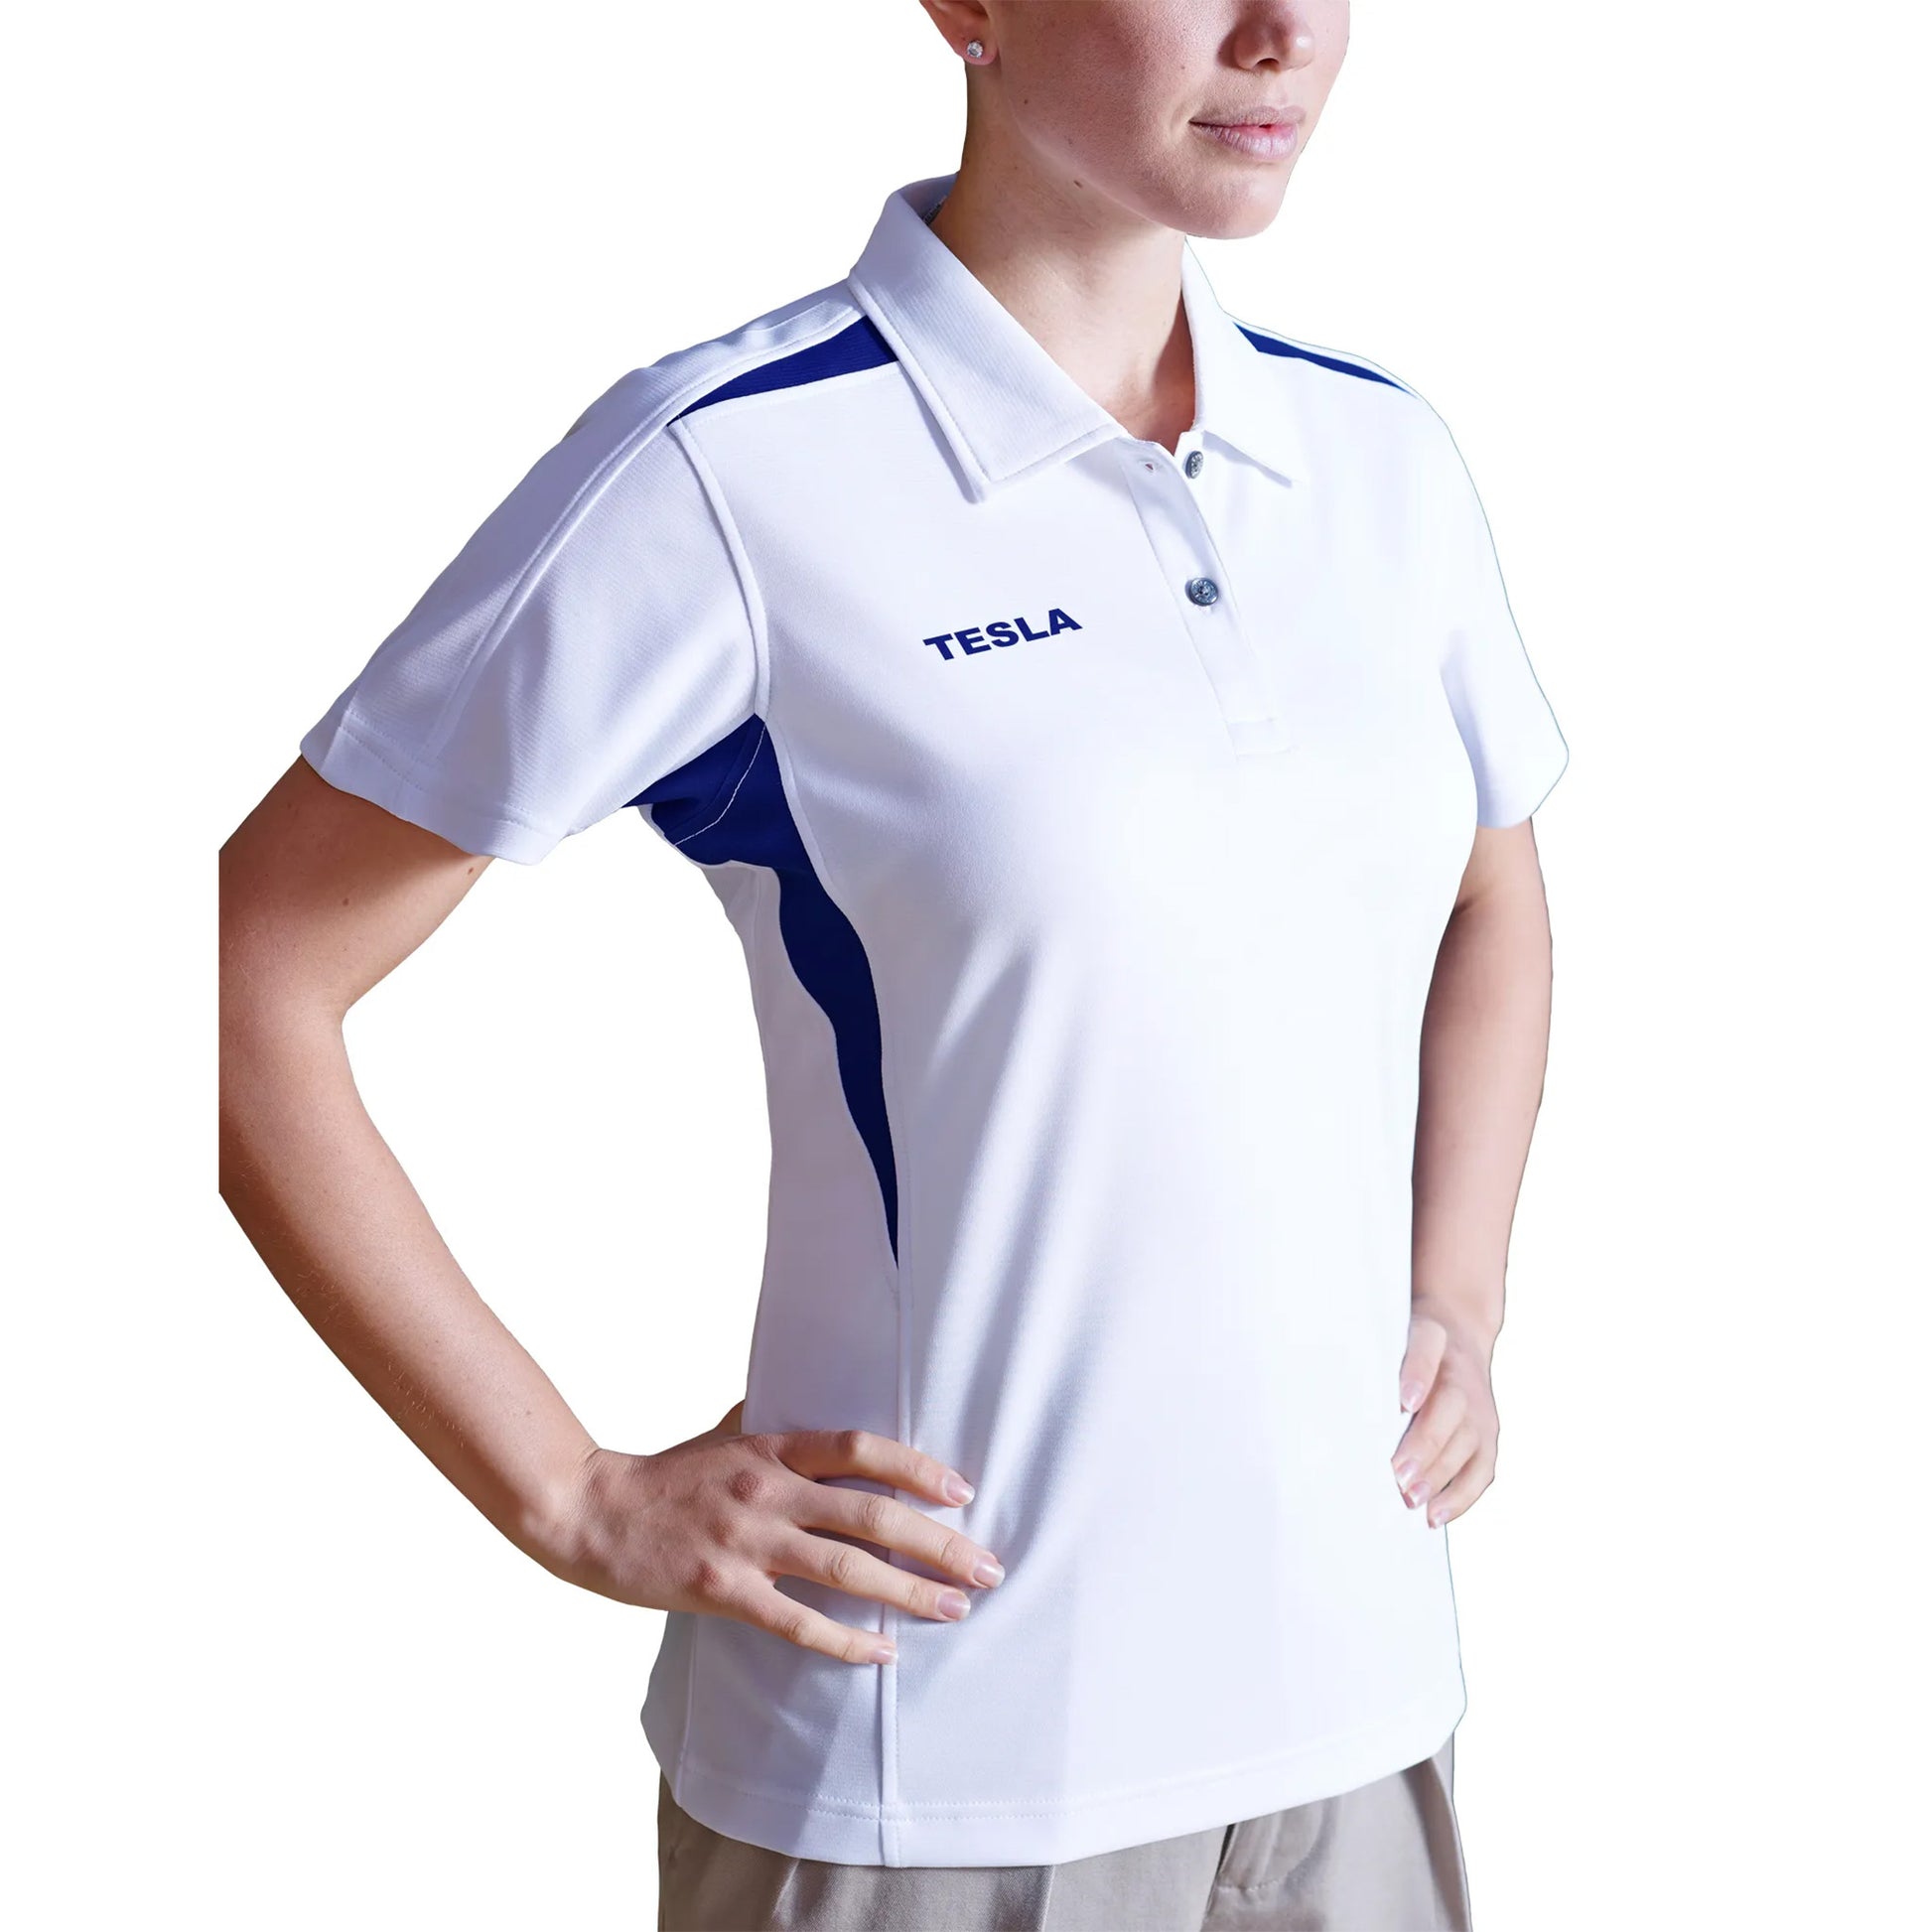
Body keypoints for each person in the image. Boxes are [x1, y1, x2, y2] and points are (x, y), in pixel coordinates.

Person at [218, 1, 1568, 1925]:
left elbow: (1491, 891)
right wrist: (568, 1489)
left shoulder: (1379, 459)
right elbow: (236, 979)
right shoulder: (732, 473)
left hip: (1357, 1725)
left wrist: (1459, 1290)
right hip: (929, 1767)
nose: (1281, 33)